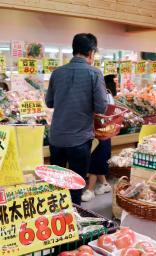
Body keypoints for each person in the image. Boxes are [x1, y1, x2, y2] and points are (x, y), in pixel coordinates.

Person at [45, 33, 108, 205]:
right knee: (75, 189)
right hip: (79, 140)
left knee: (56, 187)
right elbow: (102, 106)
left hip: (56, 138)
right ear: (91, 52)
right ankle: (73, 224)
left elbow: (49, 102)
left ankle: (55, 222)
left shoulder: (57, 73)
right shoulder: (94, 73)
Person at [82, 74, 116, 202]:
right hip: (103, 133)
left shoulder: (104, 96)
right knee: (99, 160)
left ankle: (90, 190)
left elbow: (102, 112)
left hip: (100, 133)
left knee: (95, 162)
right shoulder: (108, 95)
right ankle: (105, 184)